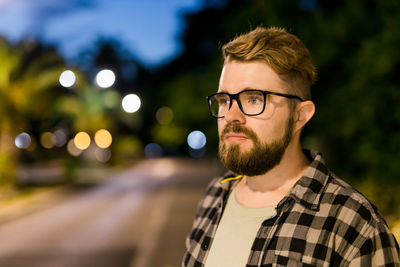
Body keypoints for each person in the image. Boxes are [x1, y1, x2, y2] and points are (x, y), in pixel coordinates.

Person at [182, 26, 400, 267]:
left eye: (254, 99)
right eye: (224, 100)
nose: (232, 115)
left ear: (300, 115)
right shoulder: (215, 194)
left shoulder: (352, 224)